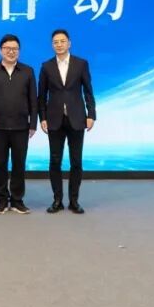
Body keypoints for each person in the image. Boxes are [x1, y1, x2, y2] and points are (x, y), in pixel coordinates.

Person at [38, 29, 96, 214]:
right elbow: (42, 95)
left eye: (62, 41)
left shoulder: (81, 64)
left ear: (69, 43)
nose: (59, 44)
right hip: (54, 120)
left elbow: (88, 91)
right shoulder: (46, 66)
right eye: (55, 42)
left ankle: (74, 201)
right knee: (55, 161)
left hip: (77, 118)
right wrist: (42, 117)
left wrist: (91, 114)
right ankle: (57, 200)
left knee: (76, 161)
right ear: (52, 45)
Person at [0, 34, 37, 214]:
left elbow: (33, 101)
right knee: (0, 164)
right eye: (7, 48)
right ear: (1, 51)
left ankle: (17, 200)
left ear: (19, 51)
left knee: (19, 164)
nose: (11, 52)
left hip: (21, 127)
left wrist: (33, 124)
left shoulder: (28, 71)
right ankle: (1, 200)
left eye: (14, 49)